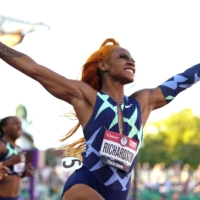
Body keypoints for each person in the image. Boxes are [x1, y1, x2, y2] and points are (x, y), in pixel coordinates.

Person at [0, 38, 199, 200]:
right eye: (123, 57)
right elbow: (34, 69)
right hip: (83, 188)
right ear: (103, 65)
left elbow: (182, 80)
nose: (131, 62)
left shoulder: (142, 103)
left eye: (133, 59)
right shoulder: (87, 97)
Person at [0, 116, 34, 200]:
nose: (19, 126)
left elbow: (11, 174)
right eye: (15, 123)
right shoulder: (1, 145)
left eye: (20, 124)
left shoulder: (19, 148)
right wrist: (10, 161)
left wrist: (23, 174)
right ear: (4, 128)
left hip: (16, 197)